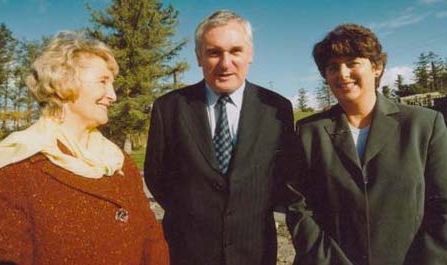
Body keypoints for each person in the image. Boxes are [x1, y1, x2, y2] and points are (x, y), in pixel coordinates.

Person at [0, 31, 169, 265]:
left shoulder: (118, 161)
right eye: (103, 81)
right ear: (63, 83)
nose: (113, 95)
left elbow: (152, 240)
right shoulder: (10, 170)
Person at [144, 10, 300, 265]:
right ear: (198, 57)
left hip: (255, 251)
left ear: (250, 55)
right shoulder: (169, 107)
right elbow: (156, 175)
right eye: (214, 52)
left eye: (235, 51)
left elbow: (284, 175)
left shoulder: (277, 109)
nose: (225, 63)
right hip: (187, 251)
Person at [290, 24, 447, 265]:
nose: (342, 73)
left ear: (376, 67)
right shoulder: (309, 132)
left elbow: (442, 207)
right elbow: (299, 208)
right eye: (333, 67)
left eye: (353, 62)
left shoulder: (423, 125)